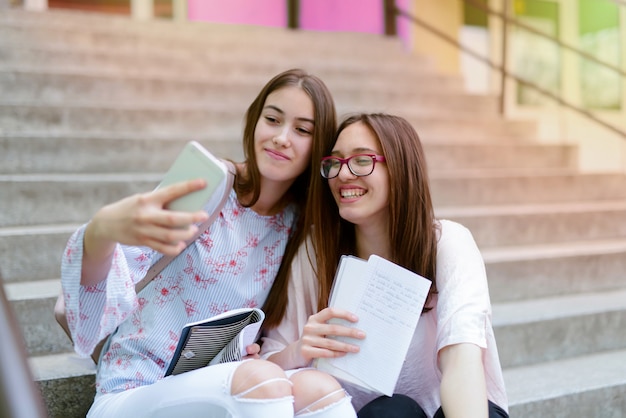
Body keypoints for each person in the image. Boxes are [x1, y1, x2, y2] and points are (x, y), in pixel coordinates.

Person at [60, 68, 357, 417]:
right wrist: (102, 230)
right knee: (262, 380)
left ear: (318, 147)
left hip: (216, 389)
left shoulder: (297, 224)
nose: (281, 137)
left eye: (302, 130)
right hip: (135, 387)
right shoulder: (206, 184)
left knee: (318, 390)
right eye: (272, 119)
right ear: (255, 121)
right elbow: (113, 271)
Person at [260, 113, 509, 418]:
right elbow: (268, 363)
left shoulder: (447, 243)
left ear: (401, 169)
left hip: (459, 411)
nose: (343, 174)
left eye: (362, 160)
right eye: (334, 162)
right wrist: (300, 349)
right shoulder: (317, 252)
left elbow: (461, 360)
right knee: (391, 412)